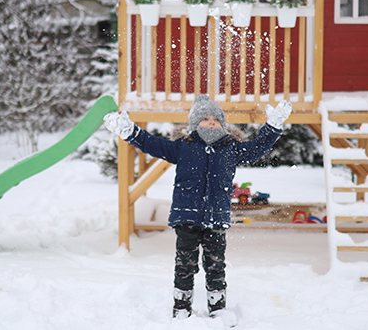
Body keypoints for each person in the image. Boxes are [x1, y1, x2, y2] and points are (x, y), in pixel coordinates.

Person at [103, 95, 292, 319]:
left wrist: (273, 126)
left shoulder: (231, 149)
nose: (212, 122)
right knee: (185, 264)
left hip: (216, 218)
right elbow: (150, 143)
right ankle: (181, 308)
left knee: (216, 266)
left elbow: (258, 148)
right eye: (205, 118)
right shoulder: (183, 146)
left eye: (216, 119)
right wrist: (129, 131)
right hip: (187, 217)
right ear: (194, 123)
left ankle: (218, 308)